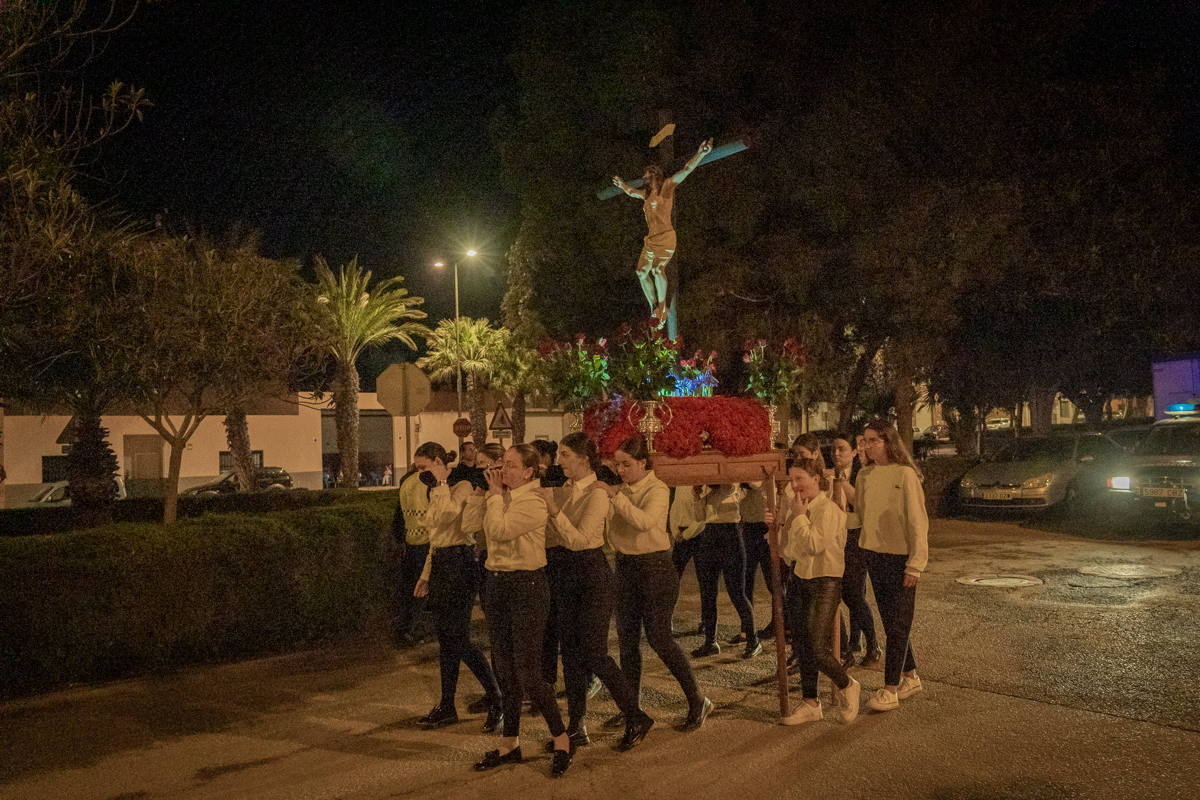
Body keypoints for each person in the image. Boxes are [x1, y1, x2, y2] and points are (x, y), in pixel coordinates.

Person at [536, 433, 656, 752]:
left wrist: (552, 512)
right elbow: (554, 539)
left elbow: (581, 539)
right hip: (565, 575)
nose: (558, 460)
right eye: (559, 454)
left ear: (583, 459)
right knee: (571, 656)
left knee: (594, 654)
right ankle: (577, 727)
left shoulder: (597, 493)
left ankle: (636, 716)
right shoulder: (562, 489)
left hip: (592, 576)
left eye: (565, 454)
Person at [590, 436, 713, 731]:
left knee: (659, 638)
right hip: (625, 566)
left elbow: (644, 521)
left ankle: (697, 699)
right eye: (617, 464)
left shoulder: (656, 488)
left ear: (643, 463)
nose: (621, 470)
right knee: (627, 642)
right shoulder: (620, 490)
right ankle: (631, 708)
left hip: (655, 567)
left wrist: (614, 497)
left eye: (627, 464)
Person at [473, 444, 573, 778]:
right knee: (505, 669)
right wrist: (486, 495)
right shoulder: (500, 496)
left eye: (511, 465)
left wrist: (492, 495)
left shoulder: (532, 500)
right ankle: (510, 744)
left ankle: (561, 738)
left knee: (529, 671)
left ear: (529, 472)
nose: (503, 470)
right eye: (502, 464)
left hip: (527, 586)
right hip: (497, 583)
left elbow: (498, 531)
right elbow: (471, 527)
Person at [411, 443, 502, 733]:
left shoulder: (460, 485)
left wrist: (439, 483)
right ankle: (447, 705)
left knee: (458, 639)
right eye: (417, 469)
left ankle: (497, 696)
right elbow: (435, 534)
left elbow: (448, 517)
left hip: (460, 564)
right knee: (446, 641)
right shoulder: (434, 489)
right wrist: (426, 572)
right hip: (441, 562)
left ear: (439, 462)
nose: (420, 473)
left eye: (424, 466)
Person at [767, 457, 861, 725]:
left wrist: (797, 519)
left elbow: (813, 544)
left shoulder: (827, 511)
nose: (795, 485)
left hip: (826, 582)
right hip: (800, 579)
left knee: (817, 648)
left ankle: (847, 684)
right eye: (791, 480)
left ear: (816, 480)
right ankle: (810, 702)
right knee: (801, 644)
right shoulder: (799, 509)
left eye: (800, 479)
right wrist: (779, 524)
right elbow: (790, 552)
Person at [856, 420, 929, 713]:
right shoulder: (864, 475)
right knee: (891, 622)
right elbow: (861, 515)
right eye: (865, 440)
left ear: (888, 441)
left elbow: (917, 521)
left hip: (901, 559)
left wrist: (915, 564)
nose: (868, 445)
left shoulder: (906, 475)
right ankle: (910, 676)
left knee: (899, 624)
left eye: (874, 440)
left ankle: (890, 689)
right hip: (875, 556)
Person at [612, 138, 713, 338]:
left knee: (658, 270)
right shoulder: (646, 195)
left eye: (646, 175)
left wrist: (701, 153)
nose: (643, 178)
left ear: (654, 175)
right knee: (641, 272)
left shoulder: (667, 187)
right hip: (650, 240)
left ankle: (662, 306)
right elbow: (632, 192)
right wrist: (623, 186)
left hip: (666, 237)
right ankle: (654, 308)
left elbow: (686, 169)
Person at [691, 484, 760, 659]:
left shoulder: (734, 488)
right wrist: (698, 496)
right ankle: (710, 642)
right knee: (707, 593)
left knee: (737, 593)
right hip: (709, 537)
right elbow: (699, 517)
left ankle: (753, 640)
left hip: (731, 538)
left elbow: (735, 501)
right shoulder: (709, 491)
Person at [831, 432, 881, 665]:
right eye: (833, 449)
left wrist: (841, 481)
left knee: (854, 595)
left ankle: (873, 644)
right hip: (836, 538)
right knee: (845, 593)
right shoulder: (828, 476)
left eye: (842, 448)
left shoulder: (861, 475)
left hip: (856, 537)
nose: (837, 453)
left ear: (853, 452)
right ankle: (854, 642)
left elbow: (857, 504)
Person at [395, 463, 434, 647]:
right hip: (426, 542)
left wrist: (400, 539)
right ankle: (414, 630)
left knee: (409, 588)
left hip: (409, 542)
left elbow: (399, 515)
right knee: (421, 589)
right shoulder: (428, 483)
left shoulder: (406, 482)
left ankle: (403, 628)